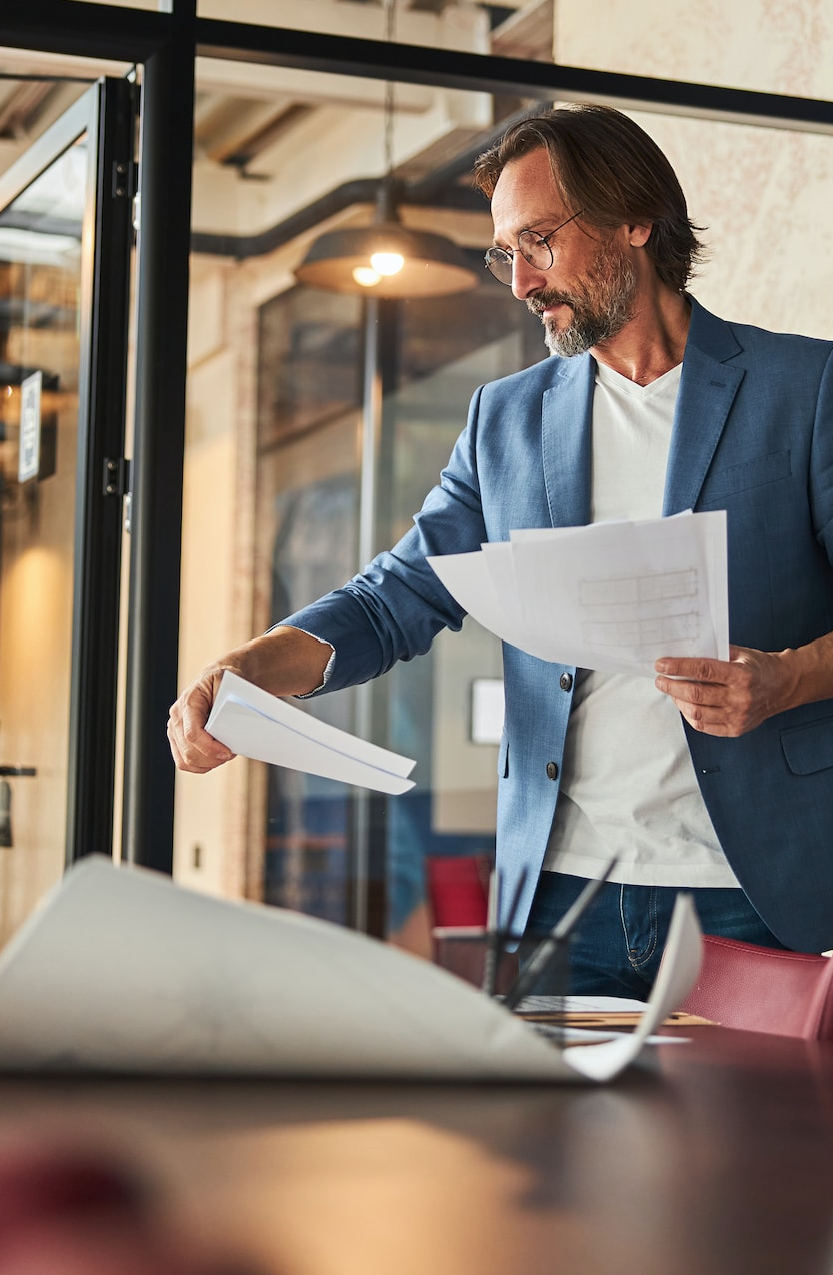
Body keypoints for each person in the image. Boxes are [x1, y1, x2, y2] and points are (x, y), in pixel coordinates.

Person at [168, 104, 833, 997]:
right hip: (562, 893)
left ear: (635, 219)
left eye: (539, 241)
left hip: (751, 890)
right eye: (502, 252)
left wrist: (785, 679)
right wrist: (249, 668)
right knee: (556, 1141)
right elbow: (393, 597)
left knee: (754, 1140)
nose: (519, 281)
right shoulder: (505, 420)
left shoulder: (805, 388)